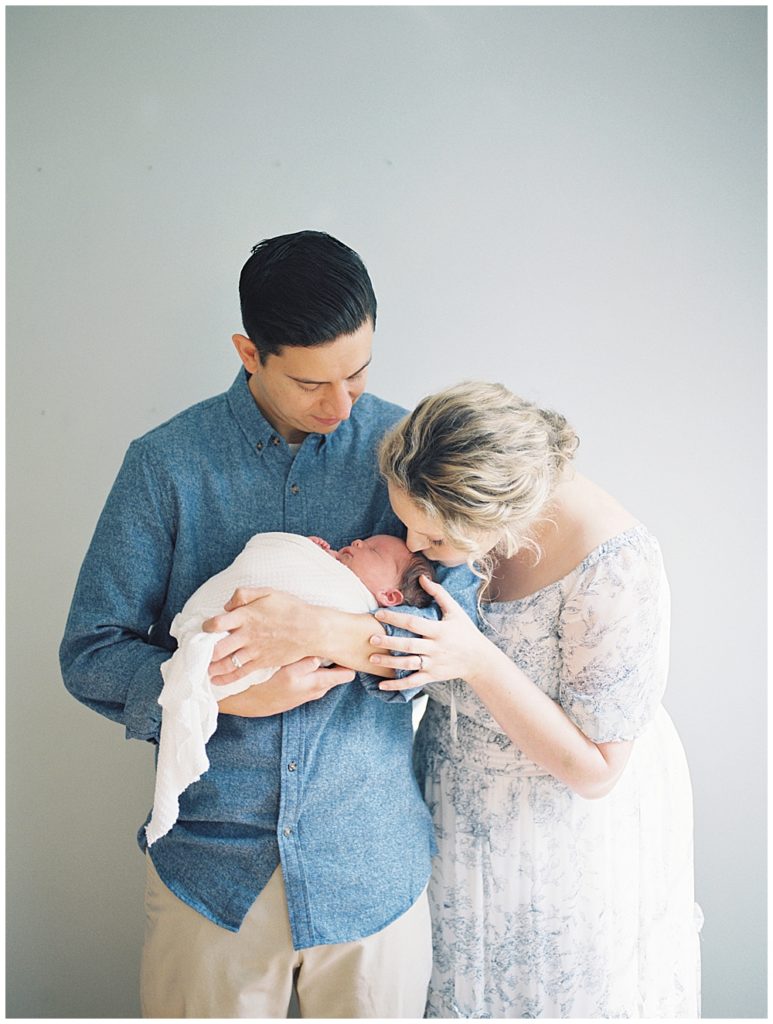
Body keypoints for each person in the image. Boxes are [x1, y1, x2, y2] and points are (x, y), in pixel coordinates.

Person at [59, 230, 470, 1019]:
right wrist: (213, 692)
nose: (342, 406)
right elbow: (90, 652)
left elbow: (463, 638)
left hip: (369, 867)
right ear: (250, 352)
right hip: (210, 875)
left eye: (358, 373)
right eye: (313, 382)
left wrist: (322, 632)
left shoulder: (407, 451)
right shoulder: (165, 465)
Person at [231, 379, 702, 1018]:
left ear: (495, 519)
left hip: (557, 836)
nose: (413, 548)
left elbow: (597, 770)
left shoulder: (616, 568)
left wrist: (478, 663)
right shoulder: (451, 500)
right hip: (447, 808)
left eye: (432, 540)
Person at [146, 531, 436, 846]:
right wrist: (243, 700)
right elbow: (95, 650)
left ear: (391, 597)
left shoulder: (373, 584)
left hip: (366, 843)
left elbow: (438, 642)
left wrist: (315, 629)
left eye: (373, 551)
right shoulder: (328, 565)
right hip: (208, 843)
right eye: (364, 542)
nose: (357, 543)